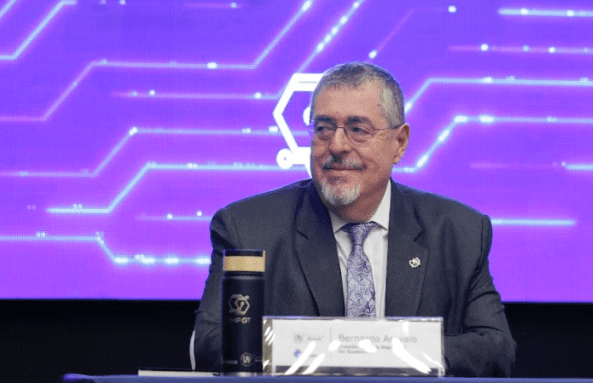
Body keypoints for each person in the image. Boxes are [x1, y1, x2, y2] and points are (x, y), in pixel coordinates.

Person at [193, 62, 516, 376]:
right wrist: (334, 352)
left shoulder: (459, 231)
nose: (336, 145)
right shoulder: (247, 228)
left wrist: (393, 354)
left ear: (399, 143)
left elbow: (496, 350)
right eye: (323, 128)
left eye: (357, 130)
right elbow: (210, 344)